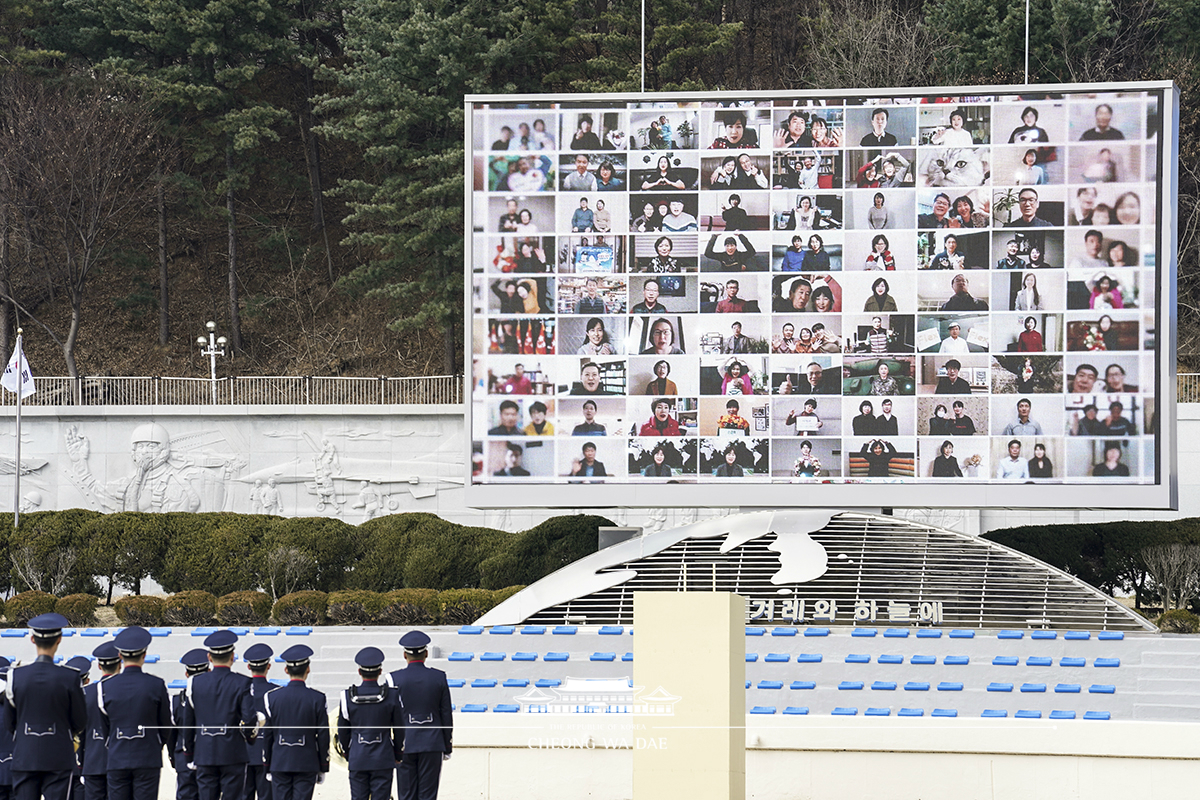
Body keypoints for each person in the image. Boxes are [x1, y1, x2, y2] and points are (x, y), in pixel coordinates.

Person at [6, 614, 87, 800]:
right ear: (59, 639)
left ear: (33, 639)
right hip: (59, 754)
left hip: (25, 754)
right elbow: (80, 721)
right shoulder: (71, 677)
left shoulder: (15, 676)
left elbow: (10, 723)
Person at [179, 630, 258, 800]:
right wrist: (250, 739)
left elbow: (188, 723)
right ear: (232, 656)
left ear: (209, 657)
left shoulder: (194, 683)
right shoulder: (243, 682)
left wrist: (189, 753)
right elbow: (250, 719)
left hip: (204, 752)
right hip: (233, 752)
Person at [98, 626, 172, 800]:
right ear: (144, 655)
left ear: (120, 656)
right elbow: (165, 723)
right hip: (147, 755)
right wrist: (157, 744)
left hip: (117, 755)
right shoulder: (156, 684)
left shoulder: (105, 687)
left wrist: (114, 743)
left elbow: (105, 725)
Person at [389, 632, 453, 800]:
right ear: (426, 653)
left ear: (405, 655)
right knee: (428, 795)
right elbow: (446, 714)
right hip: (432, 743)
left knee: (406, 795)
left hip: (404, 744)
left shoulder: (393, 679)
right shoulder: (439, 677)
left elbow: (389, 715)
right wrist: (447, 746)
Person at [338, 648, 402, 800]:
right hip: (383, 757)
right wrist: (398, 752)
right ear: (380, 671)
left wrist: (348, 752)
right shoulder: (392, 695)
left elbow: (343, 731)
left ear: (359, 672)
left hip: (358, 757)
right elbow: (400, 729)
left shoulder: (347, 696)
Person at [78, 642, 119, 800]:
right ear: (119, 663)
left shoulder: (86, 694)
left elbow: (79, 732)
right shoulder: (127, 691)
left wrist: (80, 762)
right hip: (120, 761)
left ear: (99, 666)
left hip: (93, 760)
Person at [167, 649, 209, 800]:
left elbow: (171, 735)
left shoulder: (176, 701)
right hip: (210, 756)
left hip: (183, 757)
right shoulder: (217, 699)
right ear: (209, 671)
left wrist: (173, 757)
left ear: (186, 674)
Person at [241, 644, 274, 800]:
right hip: (267, 754)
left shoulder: (237, 690)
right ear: (268, 666)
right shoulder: (276, 692)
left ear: (248, 666)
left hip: (241, 753)